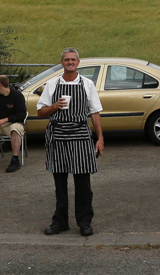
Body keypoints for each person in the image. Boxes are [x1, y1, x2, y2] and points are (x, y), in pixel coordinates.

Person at [37, 48, 104, 237]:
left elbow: (95, 112)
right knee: (60, 183)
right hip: (58, 136)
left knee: (83, 184)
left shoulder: (87, 84)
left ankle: (85, 222)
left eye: (73, 59)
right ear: (61, 63)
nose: (70, 62)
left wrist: (100, 138)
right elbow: (40, 112)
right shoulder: (52, 84)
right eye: (66, 59)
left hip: (81, 136)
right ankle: (60, 222)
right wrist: (54, 106)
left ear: (78, 62)